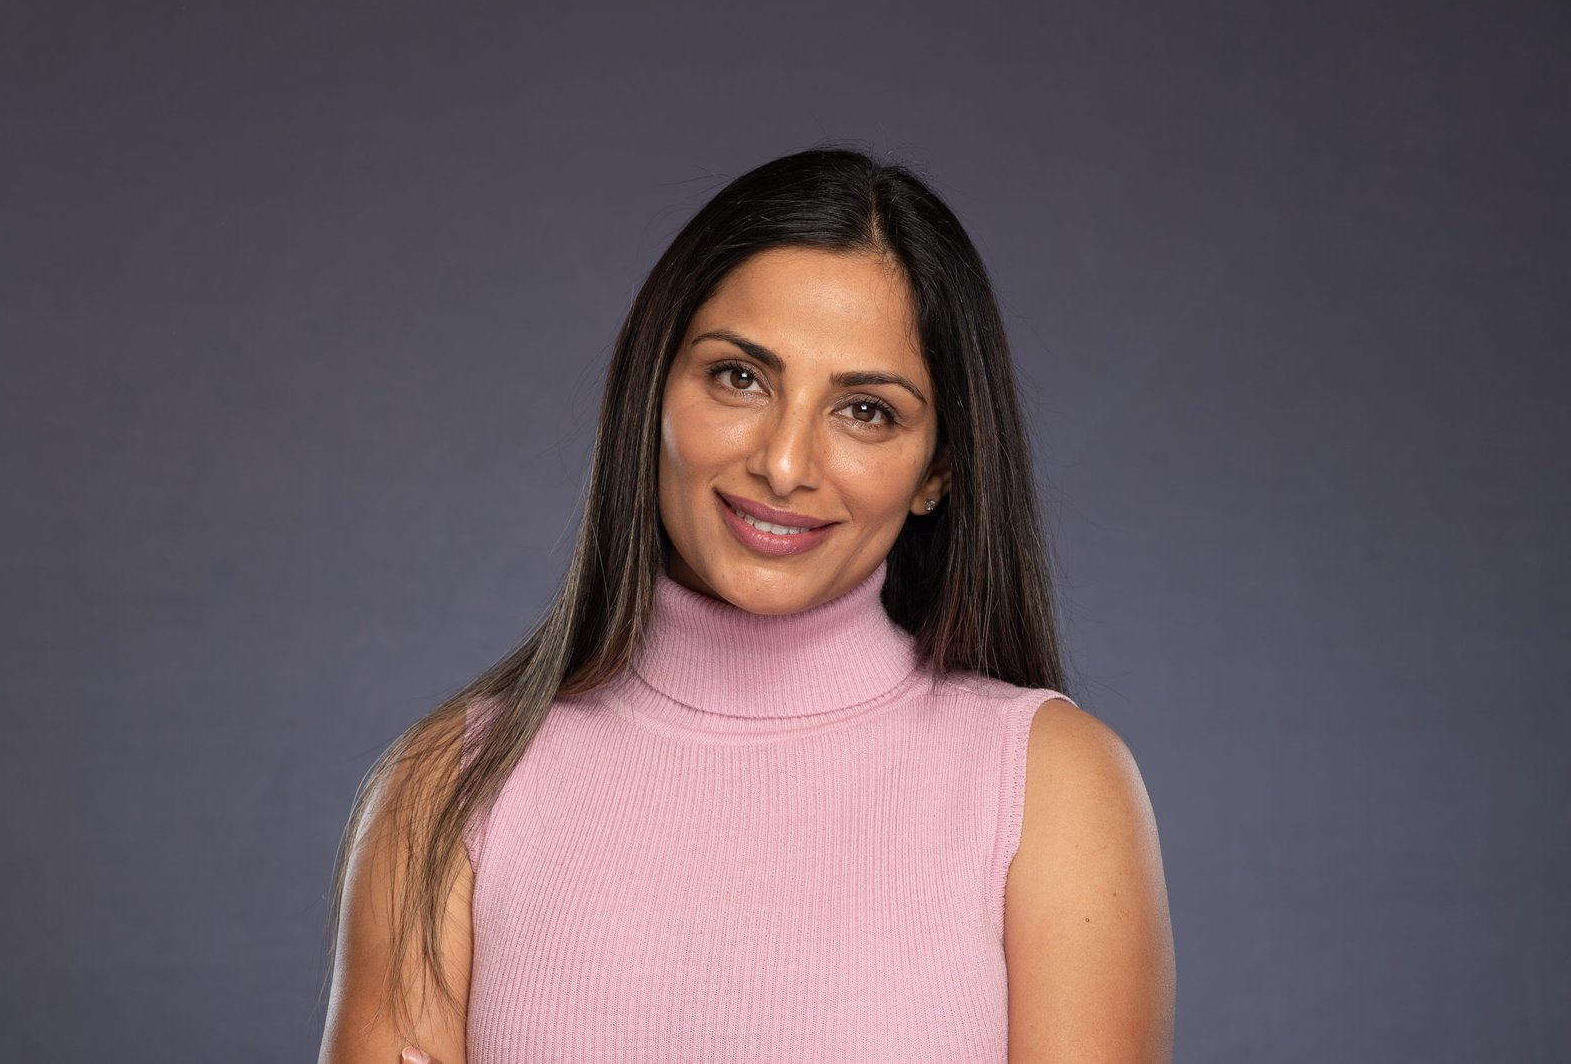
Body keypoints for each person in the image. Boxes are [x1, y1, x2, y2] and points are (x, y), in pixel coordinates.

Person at [316, 146, 1175, 1064]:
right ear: (655, 389)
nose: (785, 463)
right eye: (740, 378)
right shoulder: (451, 785)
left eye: (867, 411)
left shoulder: (1047, 787)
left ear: (940, 472)